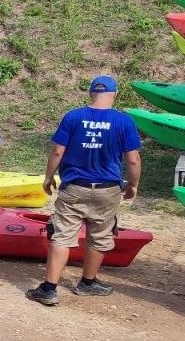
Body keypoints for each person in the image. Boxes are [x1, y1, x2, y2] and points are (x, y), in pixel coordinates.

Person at [27, 76, 143, 305]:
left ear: (90, 93)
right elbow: (133, 160)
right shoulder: (124, 122)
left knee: (62, 236)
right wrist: (133, 184)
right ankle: (87, 283)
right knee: (99, 237)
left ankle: (49, 289)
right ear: (115, 94)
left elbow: (57, 151)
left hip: (74, 188)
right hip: (107, 190)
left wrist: (49, 177)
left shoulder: (73, 117)